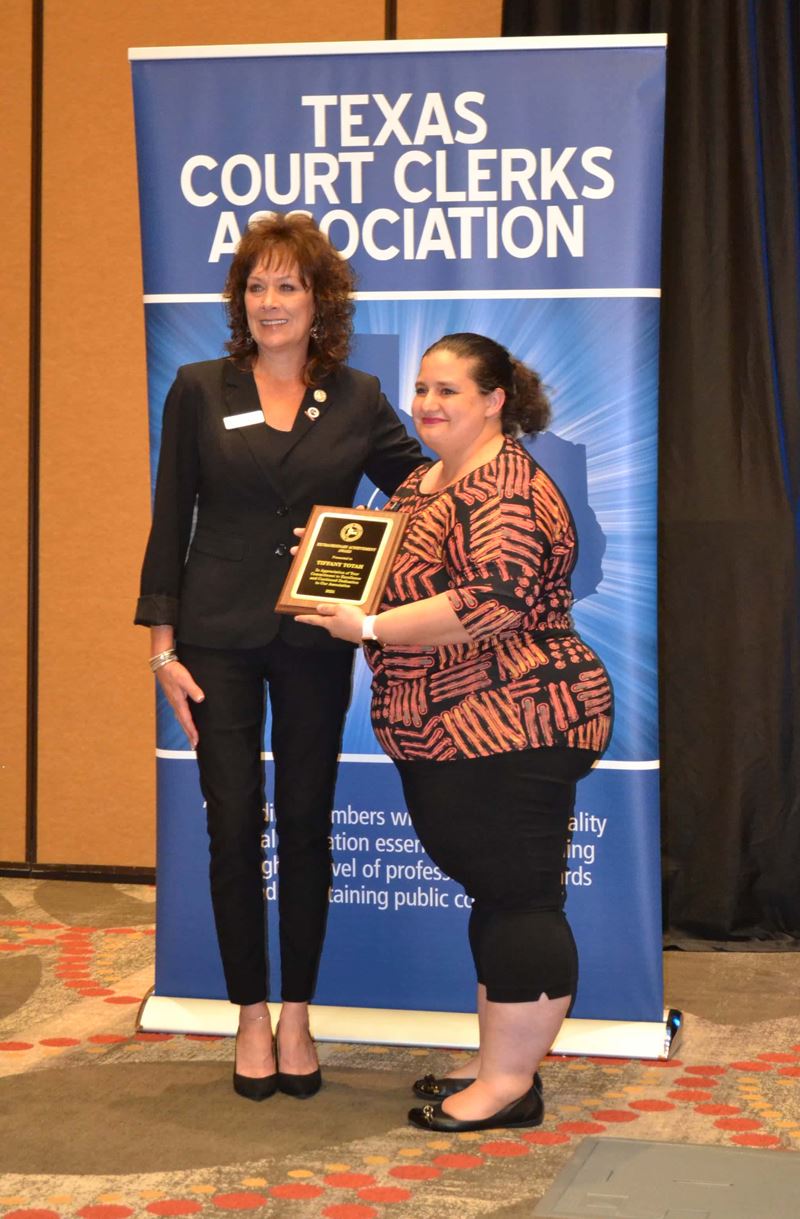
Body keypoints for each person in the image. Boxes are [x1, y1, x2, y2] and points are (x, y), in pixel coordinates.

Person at [135, 213, 425, 1102]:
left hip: (312, 640)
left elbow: (420, 487)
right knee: (232, 826)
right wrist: (161, 651)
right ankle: (249, 1013)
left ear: (319, 300)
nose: (270, 302)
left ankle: (298, 1008)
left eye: (287, 286)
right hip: (215, 641)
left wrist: (360, 547)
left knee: (304, 823)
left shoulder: (362, 394)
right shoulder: (196, 386)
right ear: (240, 300)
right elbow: (169, 517)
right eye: (256, 286)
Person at [297, 332, 614, 1132]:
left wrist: (364, 618)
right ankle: (500, 1059)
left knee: (520, 898)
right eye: (423, 388)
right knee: (496, 892)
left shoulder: (504, 487)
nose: (429, 404)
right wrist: (325, 567)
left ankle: (510, 1086)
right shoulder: (422, 482)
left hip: (515, 719)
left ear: (495, 399)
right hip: (444, 729)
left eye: (450, 391)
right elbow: (385, 575)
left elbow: (492, 602)